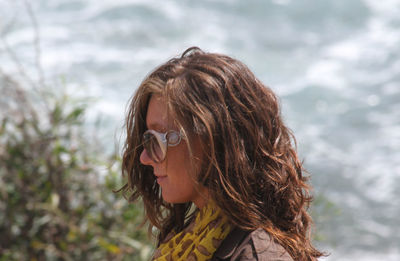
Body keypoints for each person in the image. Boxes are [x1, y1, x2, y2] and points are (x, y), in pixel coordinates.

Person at [120, 47, 325, 260]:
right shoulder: (191, 238)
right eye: (146, 139)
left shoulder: (257, 255)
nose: (145, 157)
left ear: (213, 141)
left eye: (157, 141)